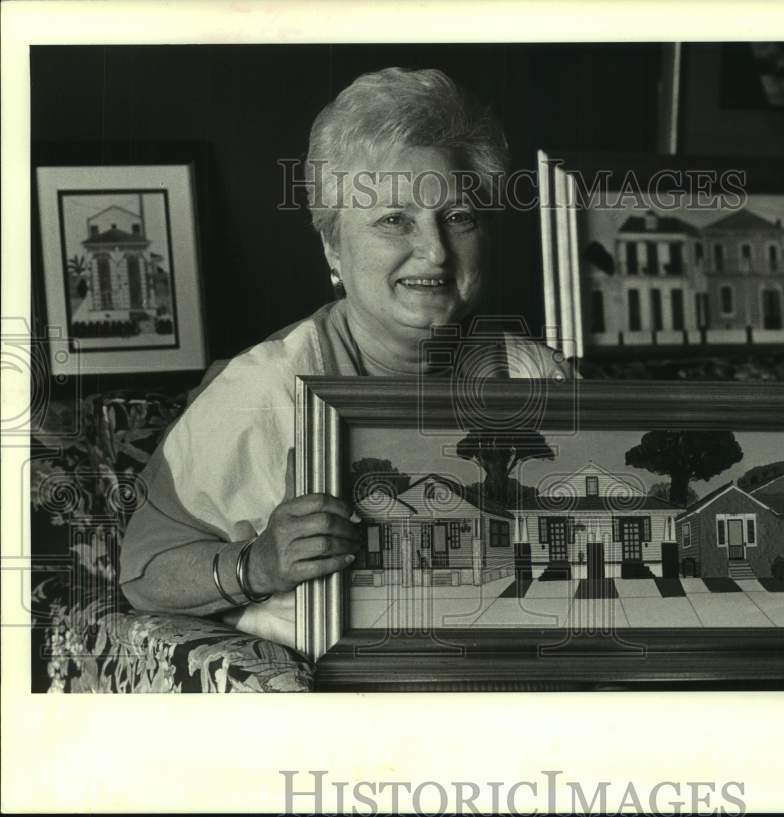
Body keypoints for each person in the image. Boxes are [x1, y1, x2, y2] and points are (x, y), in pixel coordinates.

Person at [119, 67, 573, 648]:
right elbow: (142, 576)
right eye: (393, 221)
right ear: (333, 244)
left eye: (458, 218)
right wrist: (257, 566)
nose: (434, 251)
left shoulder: (537, 376)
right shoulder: (265, 390)